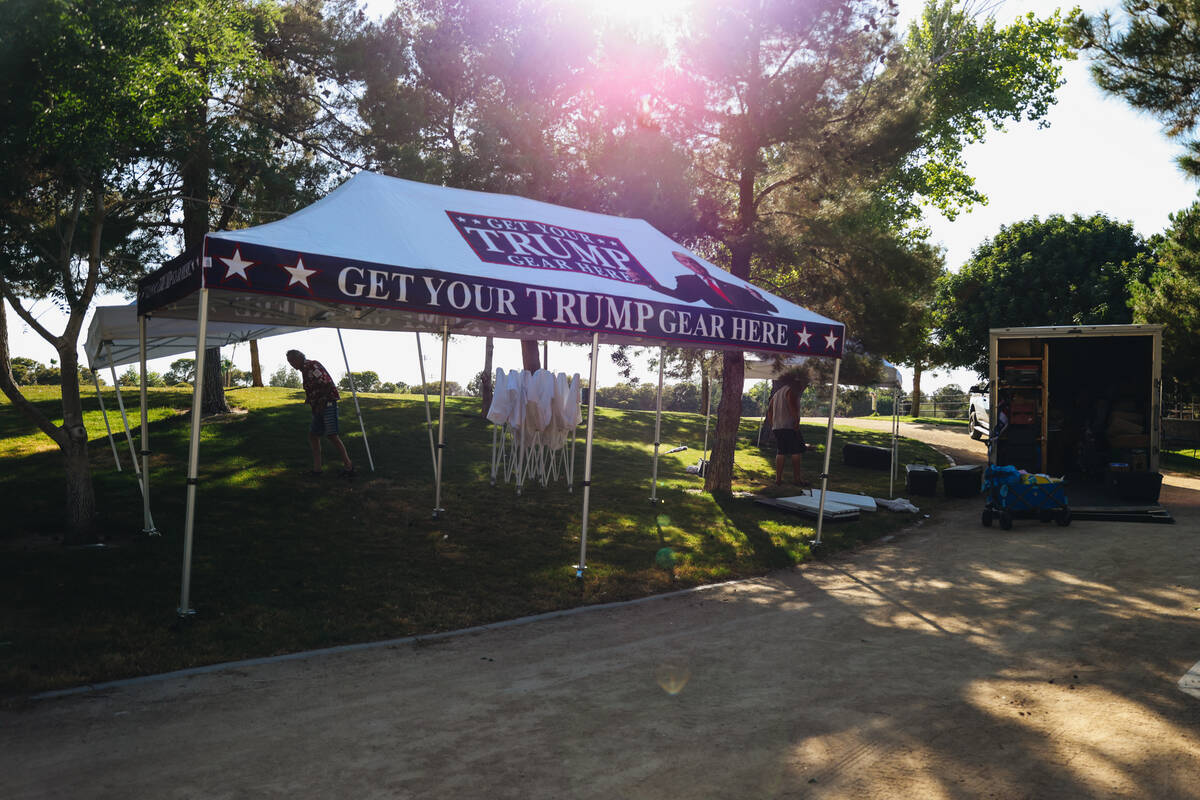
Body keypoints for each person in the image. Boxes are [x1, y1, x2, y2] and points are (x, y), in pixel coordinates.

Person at [286, 349, 355, 477]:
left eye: (292, 360)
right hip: (318, 406)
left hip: (327, 404)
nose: (291, 364)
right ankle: (317, 470)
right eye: (289, 362)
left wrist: (321, 403)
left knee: (332, 435)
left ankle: (349, 467)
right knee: (313, 436)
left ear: (299, 358)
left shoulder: (312, 365)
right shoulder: (304, 370)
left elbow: (327, 383)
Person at [649, 252, 779, 314]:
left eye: (691, 260)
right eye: (686, 262)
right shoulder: (690, 283)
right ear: (683, 266)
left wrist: (760, 298)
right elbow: (684, 298)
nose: (692, 264)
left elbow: (773, 310)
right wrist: (652, 285)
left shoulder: (727, 279)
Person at [765, 374, 809, 487]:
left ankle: (778, 479)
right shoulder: (790, 391)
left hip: (777, 427)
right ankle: (797, 479)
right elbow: (791, 405)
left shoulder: (777, 393)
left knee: (781, 451)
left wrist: (772, 423)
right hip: (789, 426)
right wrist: (796, 421)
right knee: (796, 452)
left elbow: (769, 410)